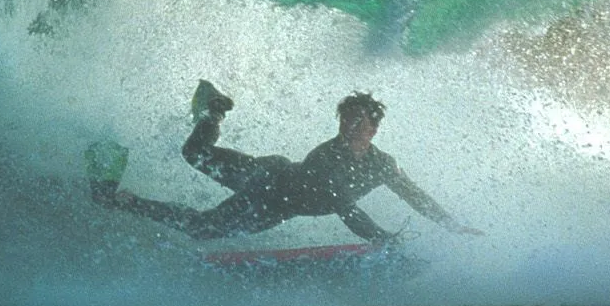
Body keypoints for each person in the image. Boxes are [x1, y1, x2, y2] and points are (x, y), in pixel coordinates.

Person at [89, 81, 482, 242]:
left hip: (271, 176)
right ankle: (115, 196)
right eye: (344, 119)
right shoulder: (327, 157)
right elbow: (345, 208)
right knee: (200, 226)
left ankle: (212, 115)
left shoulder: (383, 164)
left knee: (196, 164)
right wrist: (382, 240)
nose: (347, 126)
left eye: (356, 122)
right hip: (266, 191)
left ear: (373, 129)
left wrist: (454, 226)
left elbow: (414, 195)